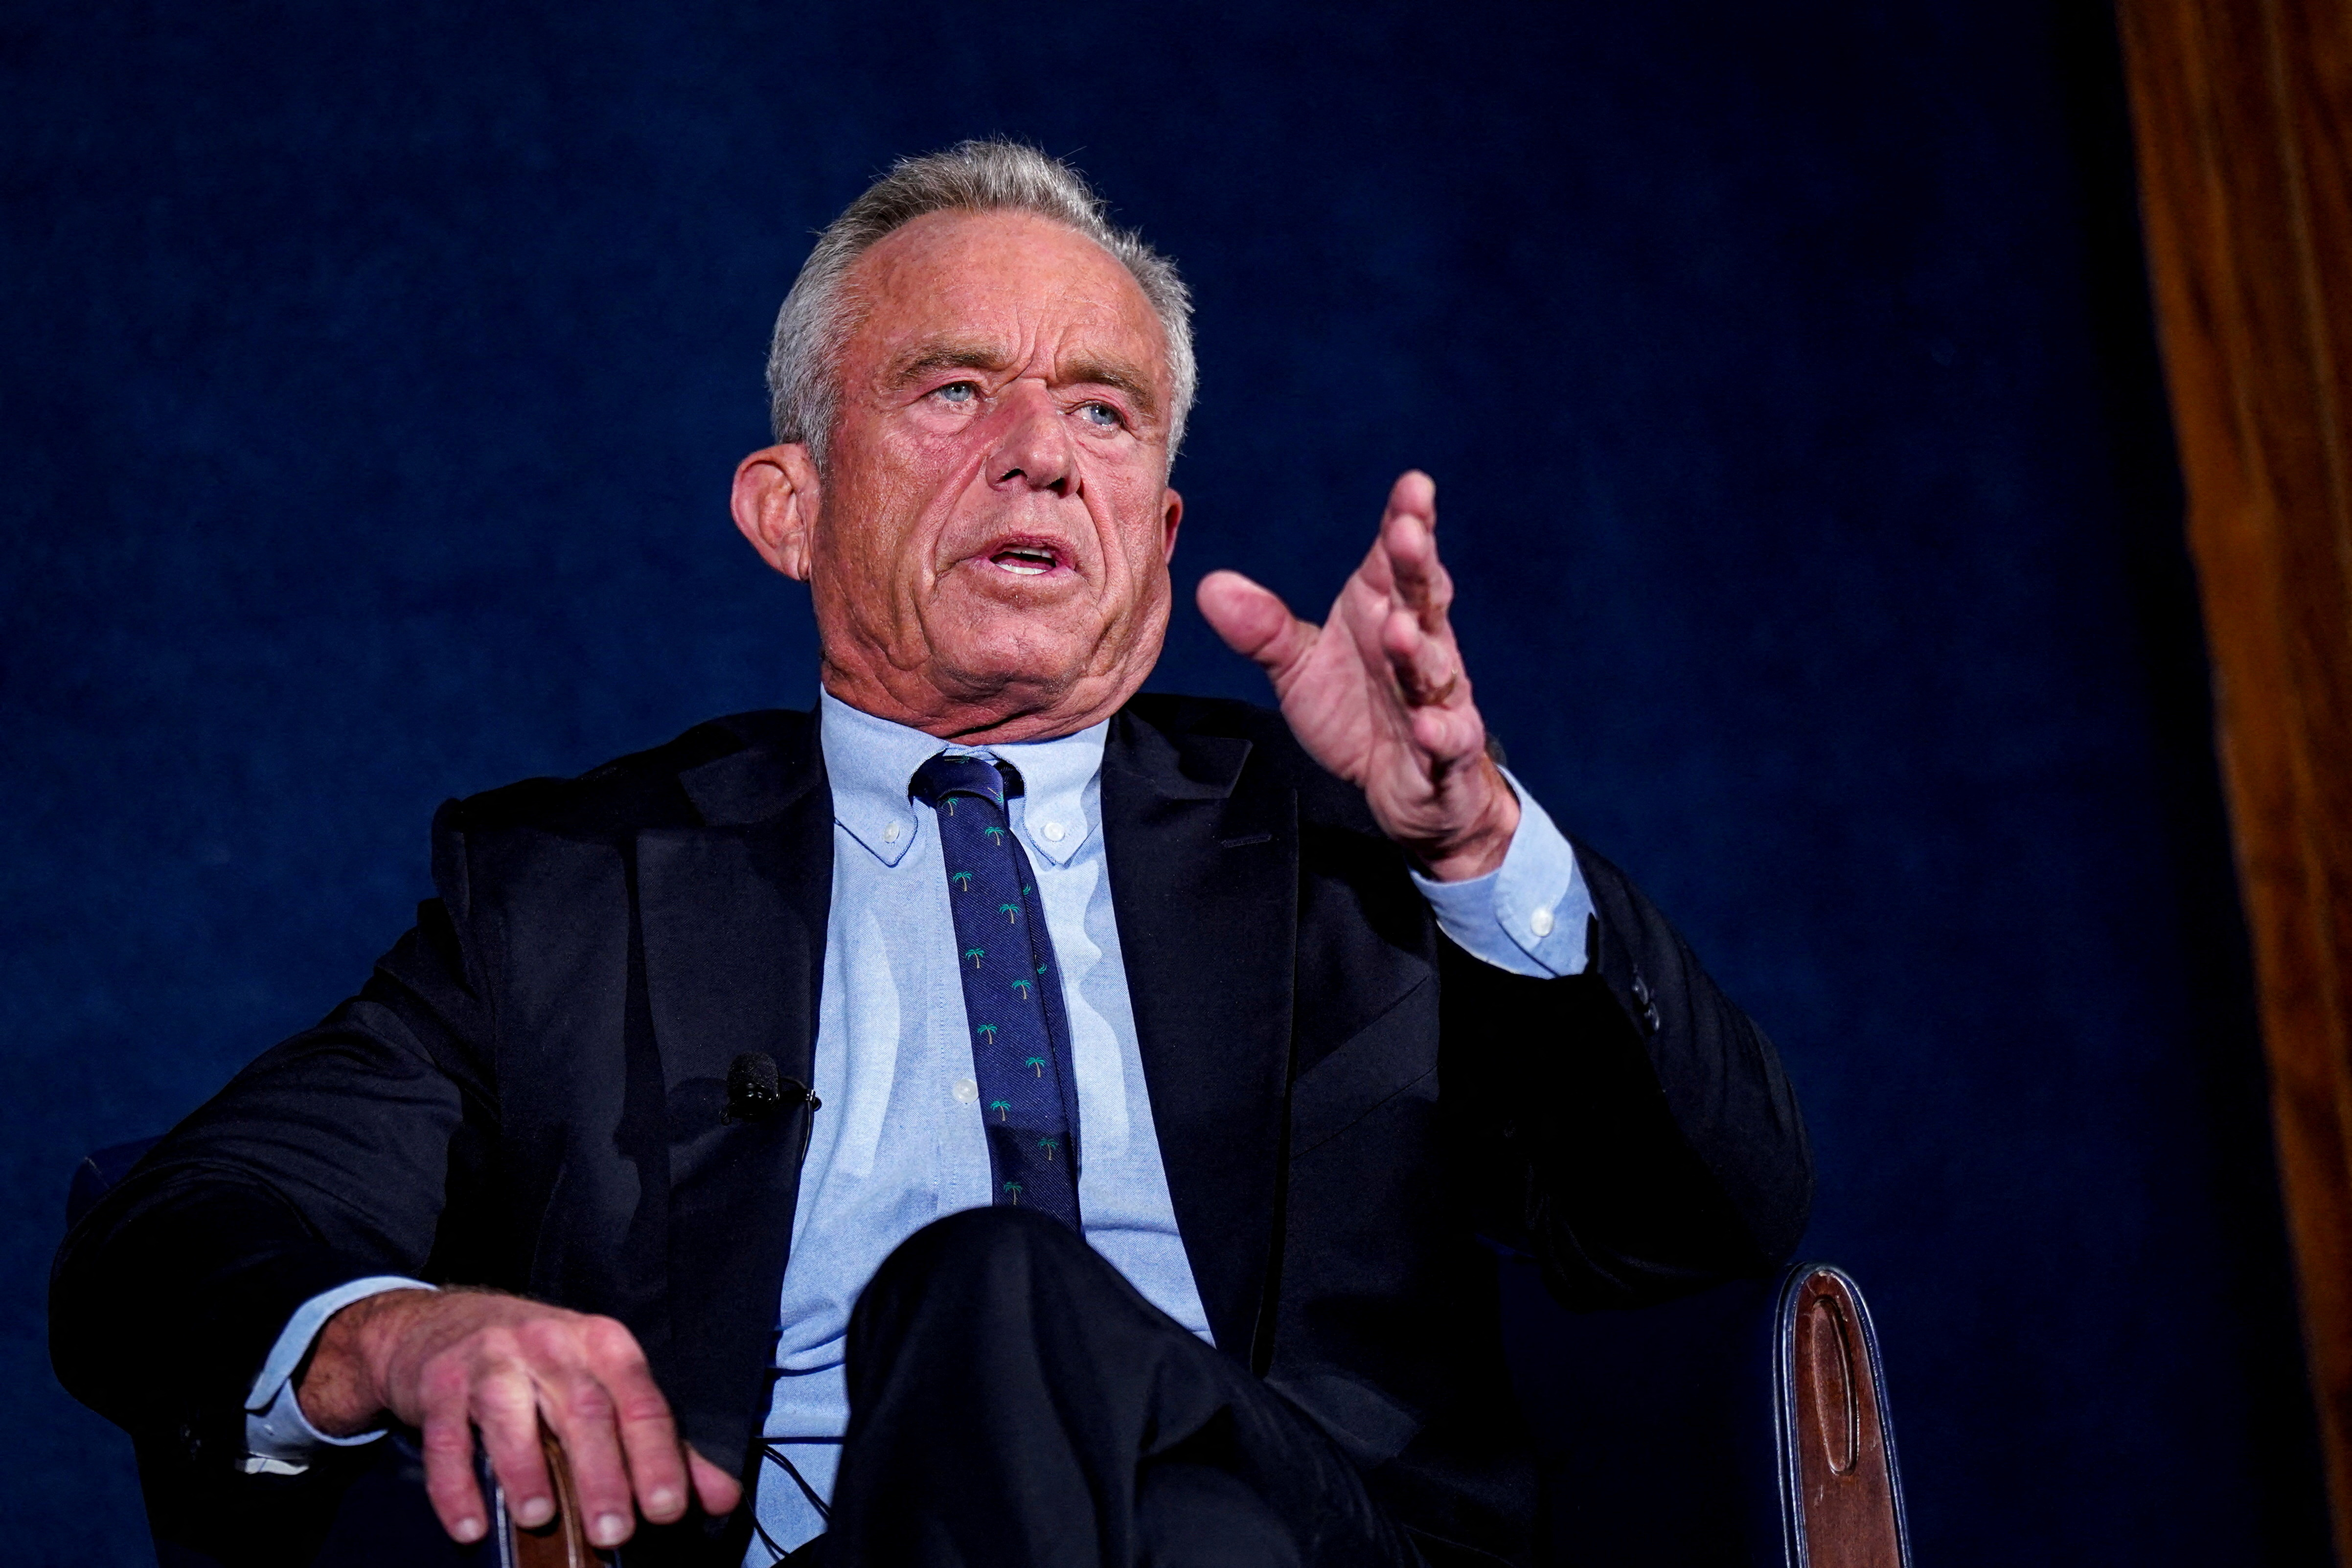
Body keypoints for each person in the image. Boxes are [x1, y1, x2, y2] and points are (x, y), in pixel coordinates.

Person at [52, 141, 1811, 1568]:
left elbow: (1708, 1218)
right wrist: (397, 1332)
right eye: (956, 390)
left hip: (1307, 1543)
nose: (1040, 454)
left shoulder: (1345, 844)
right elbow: (183, 1227)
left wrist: (1478, 843)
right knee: (982, 1324)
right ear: (791, 505)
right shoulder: (573, 893)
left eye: (1104, 412)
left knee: (1005, 1303)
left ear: (1157, 532)